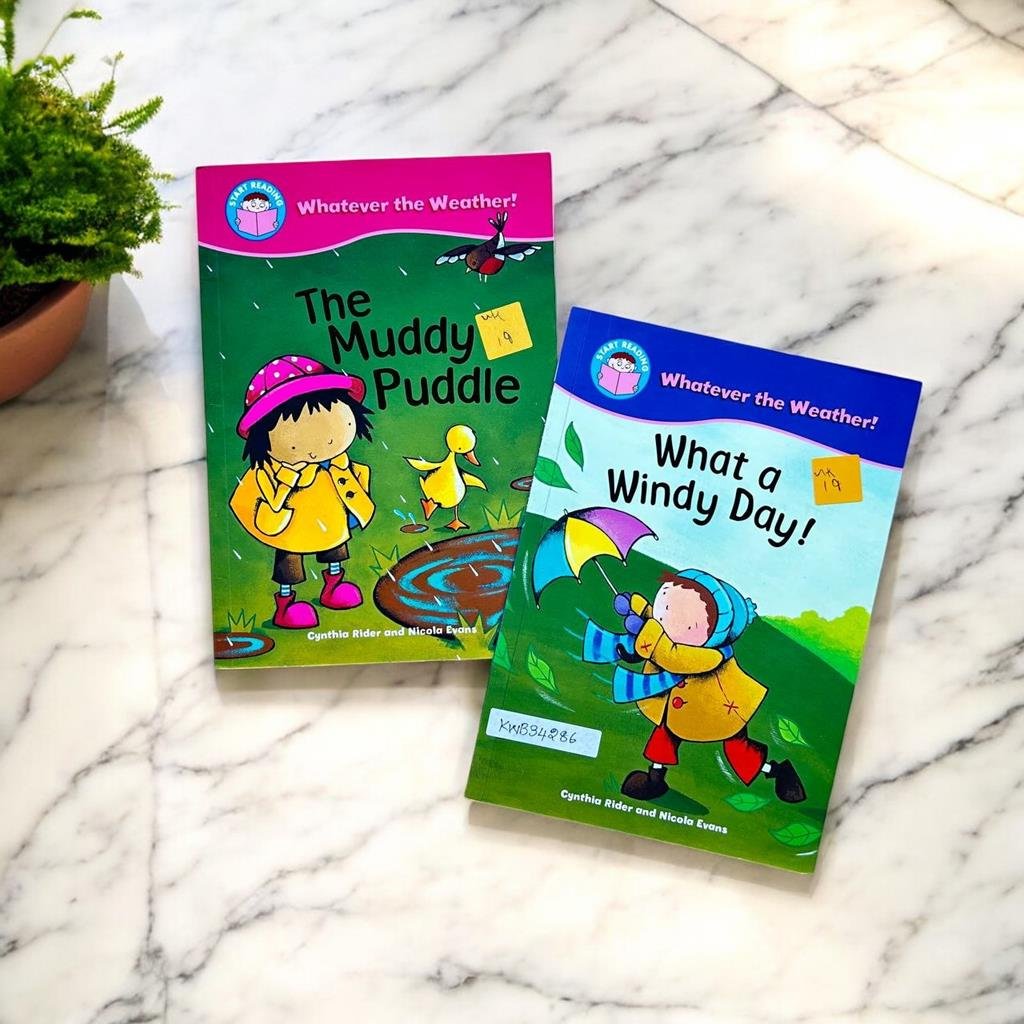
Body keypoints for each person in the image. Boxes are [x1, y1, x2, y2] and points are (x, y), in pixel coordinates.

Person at [229, 355, 375, 628]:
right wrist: (288, 480)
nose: (325, 440)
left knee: (335, 547)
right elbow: (257, 499)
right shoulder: (270, 472)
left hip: (330, 517)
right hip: (293, 526)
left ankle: (333, 584)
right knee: (290, 562)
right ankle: (286, 604)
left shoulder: (338, 464)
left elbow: (352, 486)